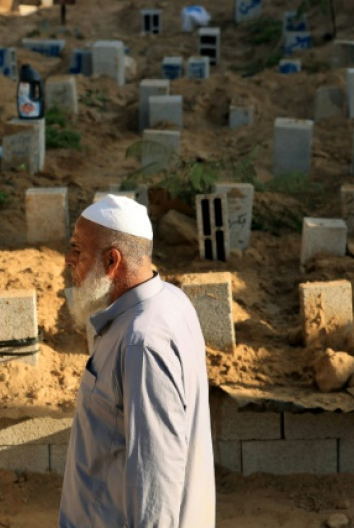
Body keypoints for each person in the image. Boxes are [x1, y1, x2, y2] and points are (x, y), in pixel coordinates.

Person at [59, 195, 215, 527]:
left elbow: (157, 474)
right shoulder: (171, 301)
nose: (69, 261)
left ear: (112, 261)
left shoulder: (141, 341)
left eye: (78, 251)